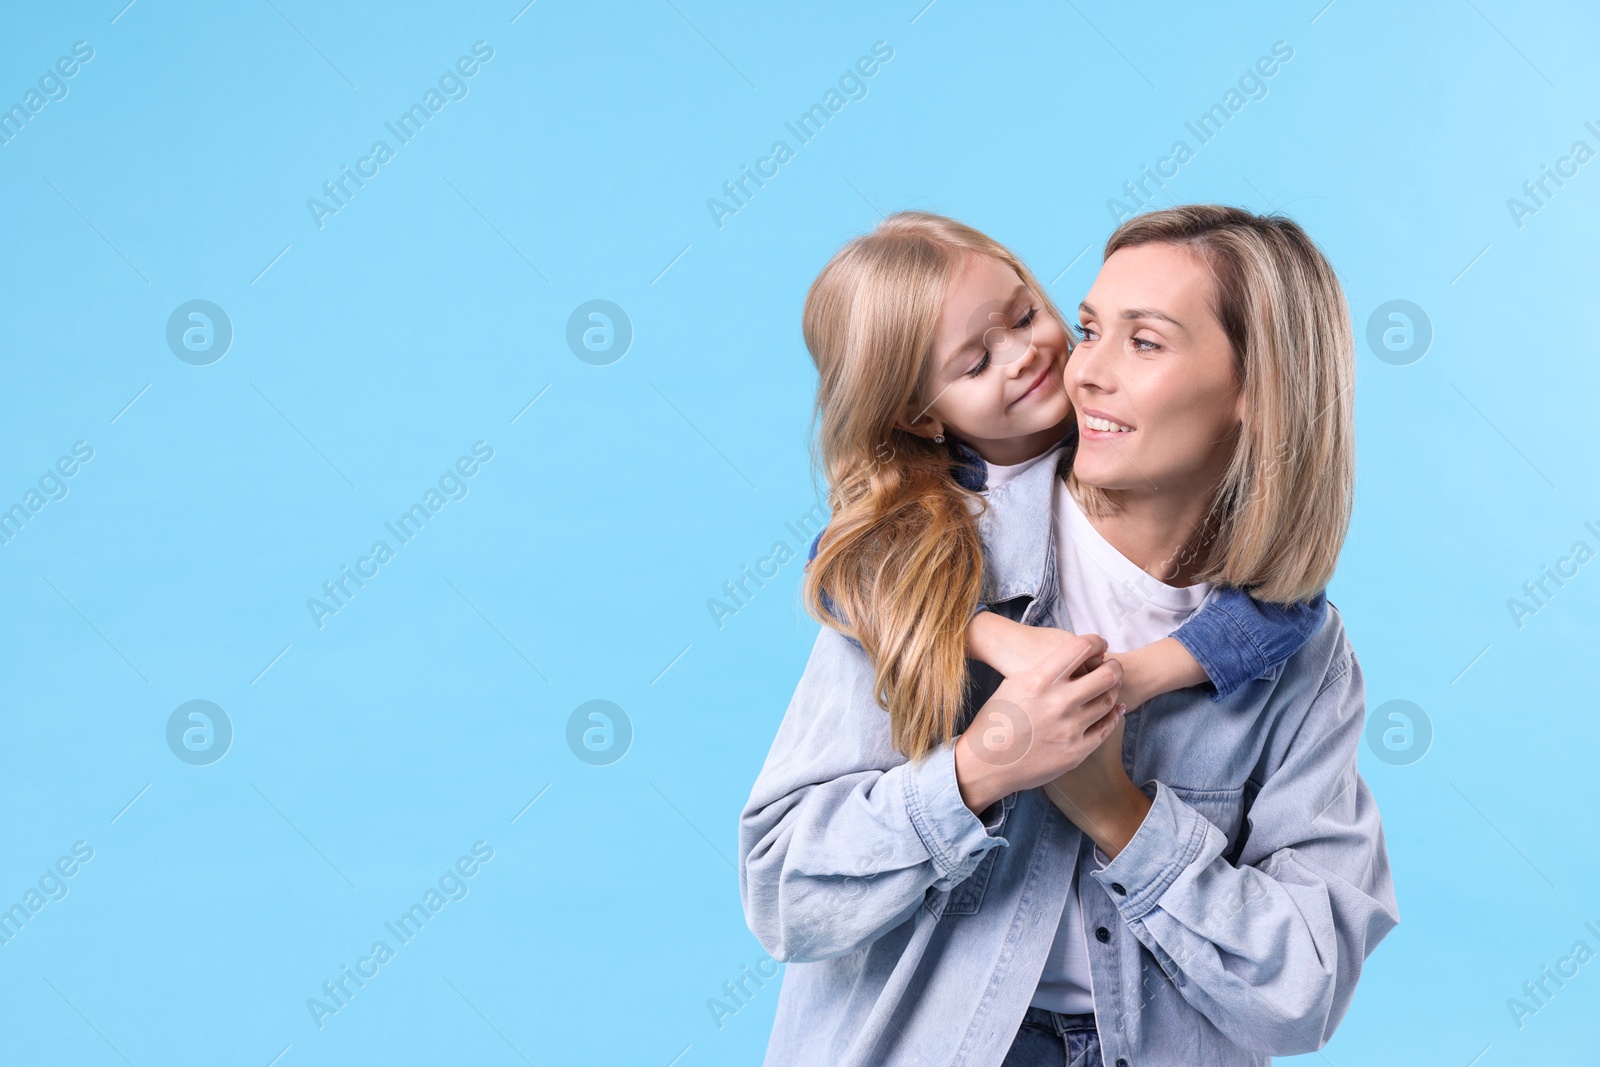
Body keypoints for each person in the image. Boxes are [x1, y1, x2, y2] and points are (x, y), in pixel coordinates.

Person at [739, 206, 1397, 1066]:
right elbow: (786, 895)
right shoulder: (930, 564)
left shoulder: (1300, 657)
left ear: (1260, 391)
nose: (1079, 369)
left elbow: (1301, 991)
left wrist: (1123, 815)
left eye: (1146, 342)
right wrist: (983, 768)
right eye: (1091, 328)